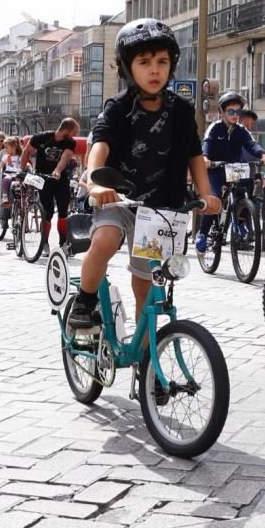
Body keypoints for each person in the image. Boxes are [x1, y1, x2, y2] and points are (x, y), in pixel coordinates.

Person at [66, 18, 221, 331]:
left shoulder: (180, 109)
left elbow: (194, 155)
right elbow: (100, 147)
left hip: (161, 209)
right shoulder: (118, 107)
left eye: (162, 62)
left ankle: (146, 367)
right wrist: (95, 182)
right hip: (118, 199)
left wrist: (207, 195)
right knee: (106, 239)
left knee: (147, 289)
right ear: (127, 67)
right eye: (145, 62)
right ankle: (84, 299)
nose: (155, 70)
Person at [195, 91, 265, 252]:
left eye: (238, 112)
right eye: (231, 111)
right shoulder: (215, 128)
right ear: (222, 112)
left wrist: (263, 154)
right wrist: (206, 158)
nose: (235, 115)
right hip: (216, 169)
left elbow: (252, 144)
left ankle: (240, 223)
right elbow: (207, 144)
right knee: (214, 199)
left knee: (245, 189)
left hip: (234, 169)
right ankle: (202, 233)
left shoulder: (241, 130)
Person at [21, 118, 80, 248]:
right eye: (74, 132)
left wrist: (58, 171)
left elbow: (65, 158)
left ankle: (63, 242)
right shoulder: (41, 138)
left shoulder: (70, 142)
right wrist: (23, 169)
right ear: (65, 130)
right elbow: (26, 151)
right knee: (47, 211)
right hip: (43, 178)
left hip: (60, 178)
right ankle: (45, 242)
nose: (75, 136)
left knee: (63, 210)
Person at [0, 136, 24, 218]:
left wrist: (28, 166)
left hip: (18, 175)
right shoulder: (6, 157)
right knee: (6, 179)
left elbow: (24, 164)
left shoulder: (20, 156)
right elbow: (0, 165)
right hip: (9, 174)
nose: (6, 150)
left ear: (14, 146)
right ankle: (5, 197)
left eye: (7, 147)